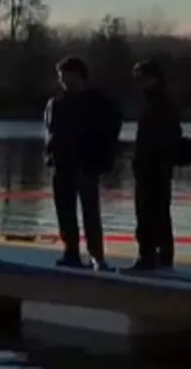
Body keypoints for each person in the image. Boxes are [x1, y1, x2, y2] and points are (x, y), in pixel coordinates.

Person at [44, 56, 122, 271]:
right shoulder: (56, 104)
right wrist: (50, 156)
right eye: (60, 77)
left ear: (78, 75)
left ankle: (97, 256)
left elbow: (110, 133)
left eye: (66, 76)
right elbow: (50, 132)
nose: (62, 81)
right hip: (62, 164)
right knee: (65, 212)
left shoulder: (99, 103)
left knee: (90, 213)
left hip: (87, 165)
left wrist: (102, 160)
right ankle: (71, 252)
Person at [129, 60, 182, 271]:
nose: (138, 83)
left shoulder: (160, 105)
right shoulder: (155, 102)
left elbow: (164, 138)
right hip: (153, 167)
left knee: (149, 213)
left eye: (141, 78)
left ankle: (149, 256)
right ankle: (161, 256)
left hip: (153, 168)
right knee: (157, 213)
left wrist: (150, 160)